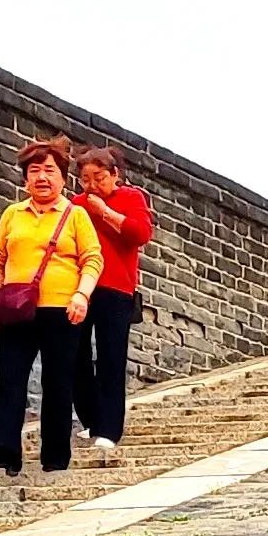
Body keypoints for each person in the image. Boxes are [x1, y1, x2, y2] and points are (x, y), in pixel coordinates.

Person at [0, 139, 101, 474]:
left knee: (58, 382)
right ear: (25, 179)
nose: (42, 178)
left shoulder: (75, 215)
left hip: (62, 309)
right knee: (11, 380)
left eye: (49, 171)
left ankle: (55, 457)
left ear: (63, 178)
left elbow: (93, 259)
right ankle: (4, 450)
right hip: (17, 309)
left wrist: (82, 295)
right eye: (34, 171)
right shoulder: (12, 214)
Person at [75, 143, 156, 446]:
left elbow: (140, 234)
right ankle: (91, 419)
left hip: (116, 288)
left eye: (99, 177)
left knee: (110, 357)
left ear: (114, 174)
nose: (93, 185)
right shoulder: (76, 205)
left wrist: (106, 213)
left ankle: (108, 429)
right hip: (81, 288)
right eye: (86, 179)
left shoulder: (131, 197)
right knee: (75, 356)